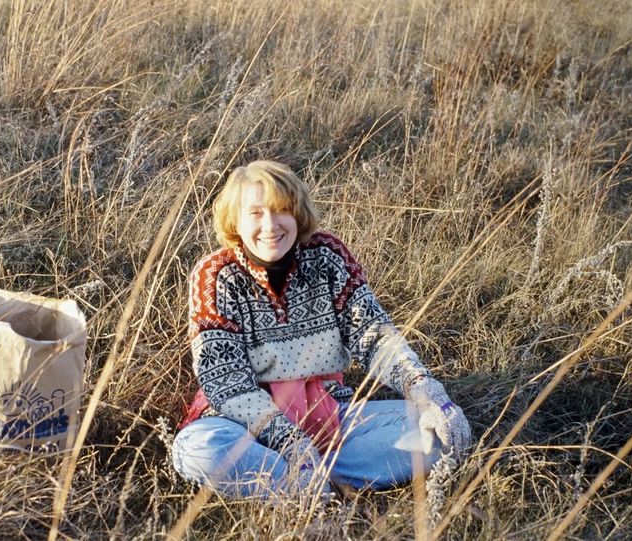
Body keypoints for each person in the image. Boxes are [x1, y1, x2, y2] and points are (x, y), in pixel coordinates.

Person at [172, 160, 471, 499]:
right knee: (196, 450)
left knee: (441, 433)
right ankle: (307, 488)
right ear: (235, 222)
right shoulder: (216, 274)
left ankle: (301, 478)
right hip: (244, 426)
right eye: (255, 213)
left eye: (281, 210)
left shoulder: (327, 256)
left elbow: (373, 334)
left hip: (327, 418)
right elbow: (224, 381)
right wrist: (289, 441)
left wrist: (425, 390)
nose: (270, 225)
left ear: (297, 214)